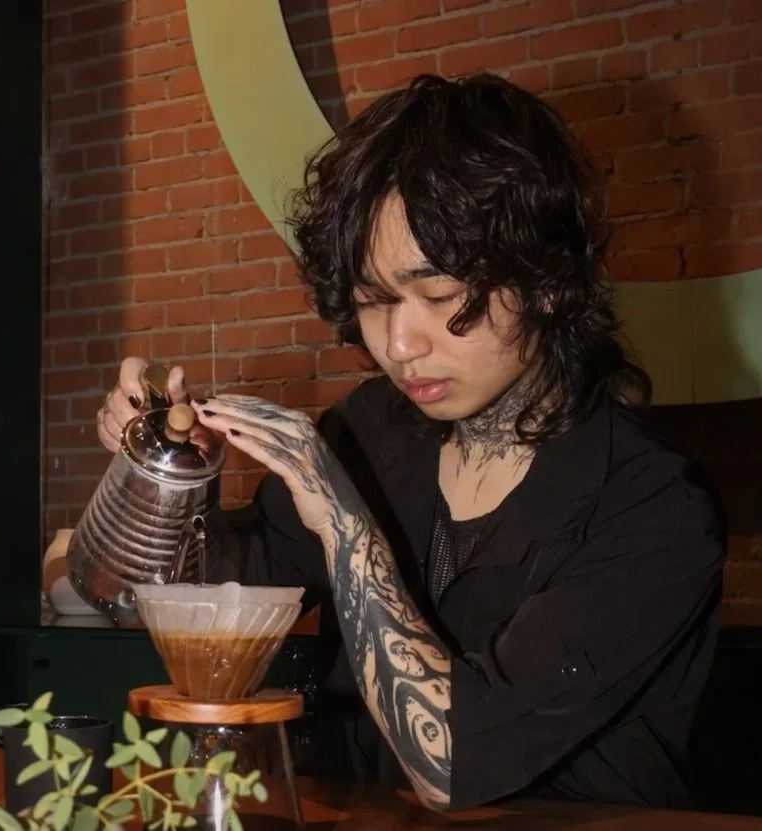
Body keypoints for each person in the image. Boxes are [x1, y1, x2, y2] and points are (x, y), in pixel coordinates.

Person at [95, 73, 726, 811]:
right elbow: (154, 596)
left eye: (439, 296)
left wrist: (340, 518)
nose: (398, 342)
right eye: (372, 300)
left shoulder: (653, 506)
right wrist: (161, 476)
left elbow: (454, 764)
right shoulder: (370, 431)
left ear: (548, 282)